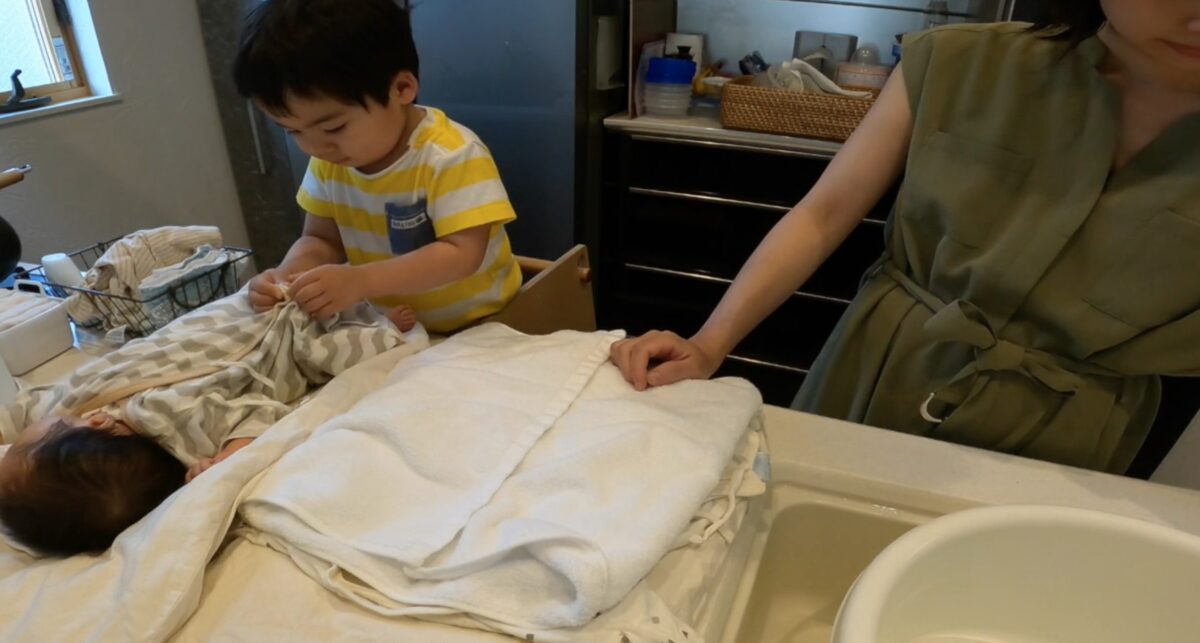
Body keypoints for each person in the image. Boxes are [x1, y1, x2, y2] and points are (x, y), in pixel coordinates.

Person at [611, 1, 1200, 474]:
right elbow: (822, 215)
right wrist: (710, 343)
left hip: (1074, 435)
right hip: (881, 373)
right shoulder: (958, 63)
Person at [0, 295, 407, 556]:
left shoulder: (62, 405)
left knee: (262, 295)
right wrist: (230, 453)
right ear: (96, 424)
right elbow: (258, 411)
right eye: (19, 448)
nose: (18, 440)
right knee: (326, 350)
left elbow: (22, 408)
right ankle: (381, 326)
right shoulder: (180, 425)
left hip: (218, 322)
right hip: (269, 343)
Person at [234, 0, 523, 334]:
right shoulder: (330, 161)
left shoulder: (451, 155)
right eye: (293, 131)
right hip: (392, 326)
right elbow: (321, 240)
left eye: (334, 128)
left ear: (402, 88)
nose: (314, 148)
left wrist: (360, 280)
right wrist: (288, 276)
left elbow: (461, 256)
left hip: (483, 325)